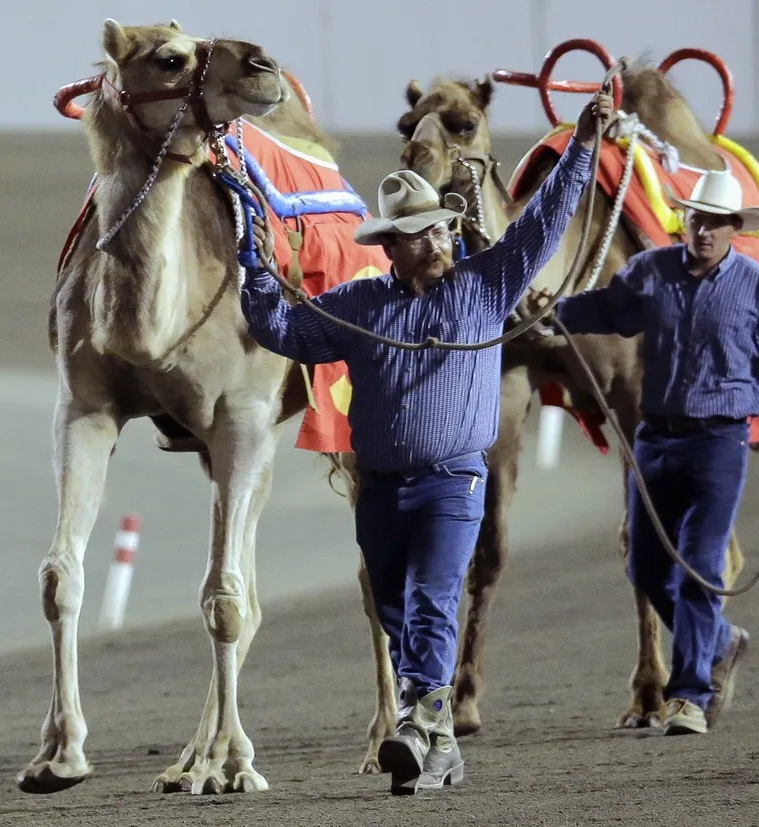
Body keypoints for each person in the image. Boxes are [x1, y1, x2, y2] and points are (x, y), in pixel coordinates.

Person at [239, 91, 614, 792]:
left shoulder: (484, 283)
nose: (440, 240)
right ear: (392, 245)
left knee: (434, 598)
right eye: (422, 233)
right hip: (380, 488)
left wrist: (583, 147)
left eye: (442, 229)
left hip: (453, 482)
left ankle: (414, 723)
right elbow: (283, 333)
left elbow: (543, 223)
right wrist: (258, 275)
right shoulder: (358, 306)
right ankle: (439, 740)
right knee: (393, 604)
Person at [552, 169, 759, 736]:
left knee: (700, 568)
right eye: (696, 219)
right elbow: (610, 311)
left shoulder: (757, 287)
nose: (703, 231)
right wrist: (551, 309)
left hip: (718, 443)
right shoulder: (651, 272)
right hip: (654, 440)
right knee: (646, 566)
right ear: (685, 219)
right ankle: (721, 641)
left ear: (735, 227)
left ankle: (688, 696)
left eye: (716, 222)